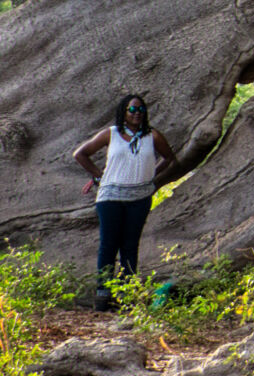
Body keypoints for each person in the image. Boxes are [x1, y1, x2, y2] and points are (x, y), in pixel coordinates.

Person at [72, 95, 176, 306]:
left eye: (141, 109)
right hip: (111, 197)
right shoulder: (111, 134)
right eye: (132, 109)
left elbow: (169, 158)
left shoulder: (152, 135)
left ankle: (127, 293)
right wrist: (100, 176)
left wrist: (150, 175)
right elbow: (80, 154)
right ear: (124, 112)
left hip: (140, 198)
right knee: (109, 244)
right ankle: (103, 293)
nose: (137, 113)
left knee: (130, 245)